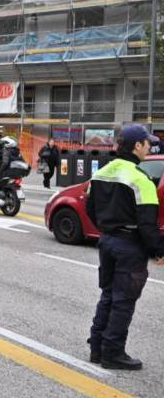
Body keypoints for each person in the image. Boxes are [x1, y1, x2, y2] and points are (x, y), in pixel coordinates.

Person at [85, 124, 164, 370]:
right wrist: (158, 251)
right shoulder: (141, 180)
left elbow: (90, 210)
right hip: (130, 247)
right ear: (137, 146)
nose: (149, 147)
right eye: (147, 143)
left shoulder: (101, 173)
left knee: (108, 296)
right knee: (123, 301)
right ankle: (113, 353)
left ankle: (97, 348)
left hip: (107, 242)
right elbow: (147, 224)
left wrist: (108, 229)